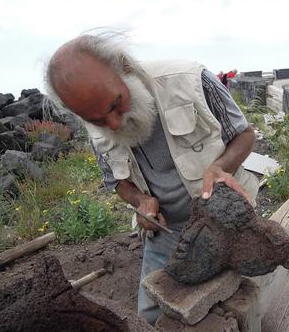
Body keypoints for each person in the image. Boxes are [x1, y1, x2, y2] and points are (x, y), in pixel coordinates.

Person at [45, 33, 259, 325]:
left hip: (225, 219)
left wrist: (222, 167)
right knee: (150, 313)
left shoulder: (191, 80)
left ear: (125, 68)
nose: (114, 124)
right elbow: (117, 182)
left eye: (116, 104)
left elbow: (245, 135)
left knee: (243, 296)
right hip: (166, 232)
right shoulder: (94, 117)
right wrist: (141, 201)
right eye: (97, 120)